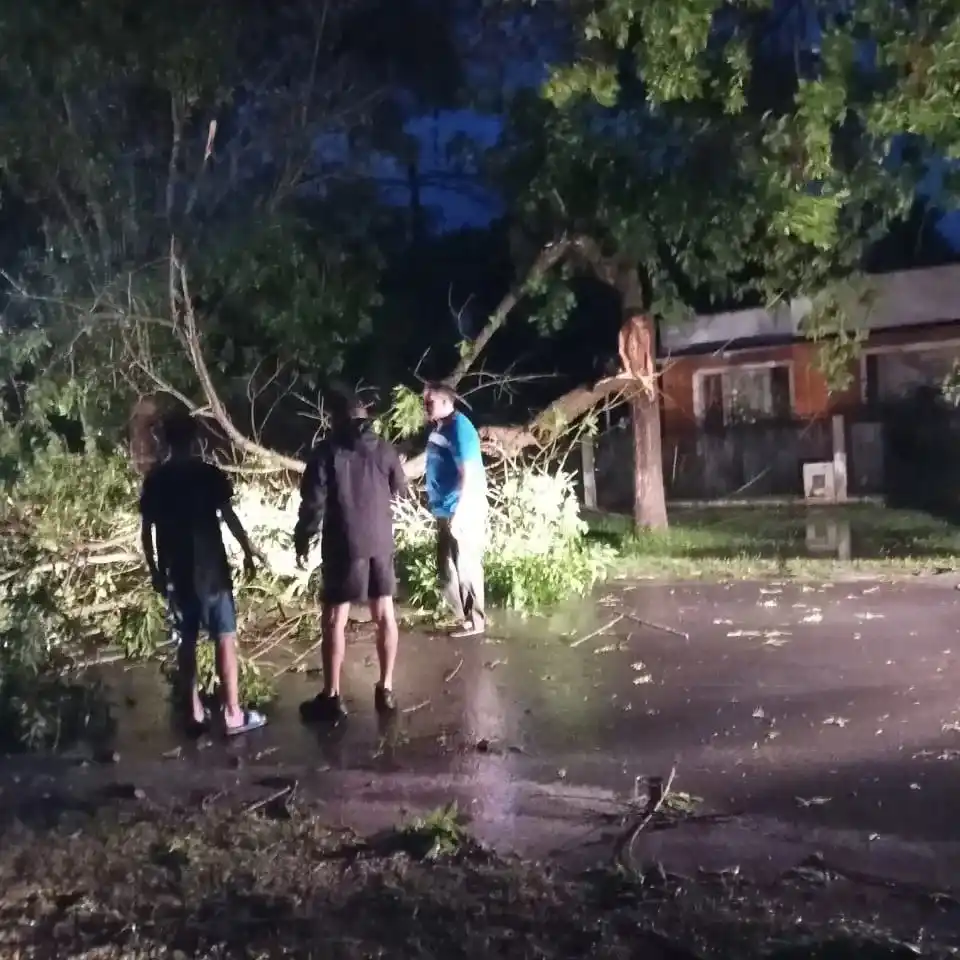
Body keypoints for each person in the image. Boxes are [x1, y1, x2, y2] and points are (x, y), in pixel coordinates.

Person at [139, 411, 267, 736]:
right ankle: (232, 713)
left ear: (166, 440)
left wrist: (155, 570)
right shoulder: (208, 474)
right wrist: (248, 552)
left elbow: (147, 531)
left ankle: (193, 712)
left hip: (177, 570)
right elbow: (229, 516)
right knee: (225, 637)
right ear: (195, 439)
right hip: (212, 569)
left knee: (187, 640)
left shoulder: (156, 479)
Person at [294, 387, 408, 723]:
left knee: (334, 619)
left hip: (344, 543)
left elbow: (313, 502)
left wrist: (303, 537)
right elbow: (401, 490)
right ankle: (385, 689)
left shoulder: (326, 452)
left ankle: (332, 696)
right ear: (365, 415)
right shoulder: (385, 449)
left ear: (336, 418)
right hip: (380, 542)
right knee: (384, 613)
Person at [422, 381, 488, 638]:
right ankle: (463, 616)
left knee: (466, 564)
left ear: (446, 402)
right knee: (446, 568)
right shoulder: (442, 427)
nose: (426, 407)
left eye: (431, 402)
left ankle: (476, 621)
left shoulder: (460, 429)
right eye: (425, 402)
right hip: (444, 508)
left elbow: (468, 473)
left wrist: (460, 512)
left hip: (461, 508)